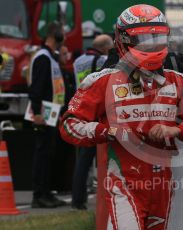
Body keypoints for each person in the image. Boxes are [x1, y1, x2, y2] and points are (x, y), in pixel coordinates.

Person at [60, 4, 183, 229]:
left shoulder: (179, 81)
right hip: (124, 182)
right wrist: (107, 131)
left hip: (162, 183)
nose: (151, 45)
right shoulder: (101, 81)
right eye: (143, 39)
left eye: (157, 38)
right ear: (123, 40)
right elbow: (69, 125)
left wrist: (177, 130)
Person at [72, 34, 114, 210]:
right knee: (104, 158)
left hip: (82, 109)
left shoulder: (78, 61)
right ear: (105, 48)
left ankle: (77, 199)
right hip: (97, 112)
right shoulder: (102, 60)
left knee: (83, 159)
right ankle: (106, 199)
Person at [28, 22, 66, 208]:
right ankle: (39, 195)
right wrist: (36, 113)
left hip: (51, 113)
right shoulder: (43, 58)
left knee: (48, 154)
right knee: (42, 154)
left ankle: (46, 192)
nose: (64, 36)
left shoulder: (51, 58)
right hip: (43, 114)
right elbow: (36, 88)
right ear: (53, 35)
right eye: (62, 33)